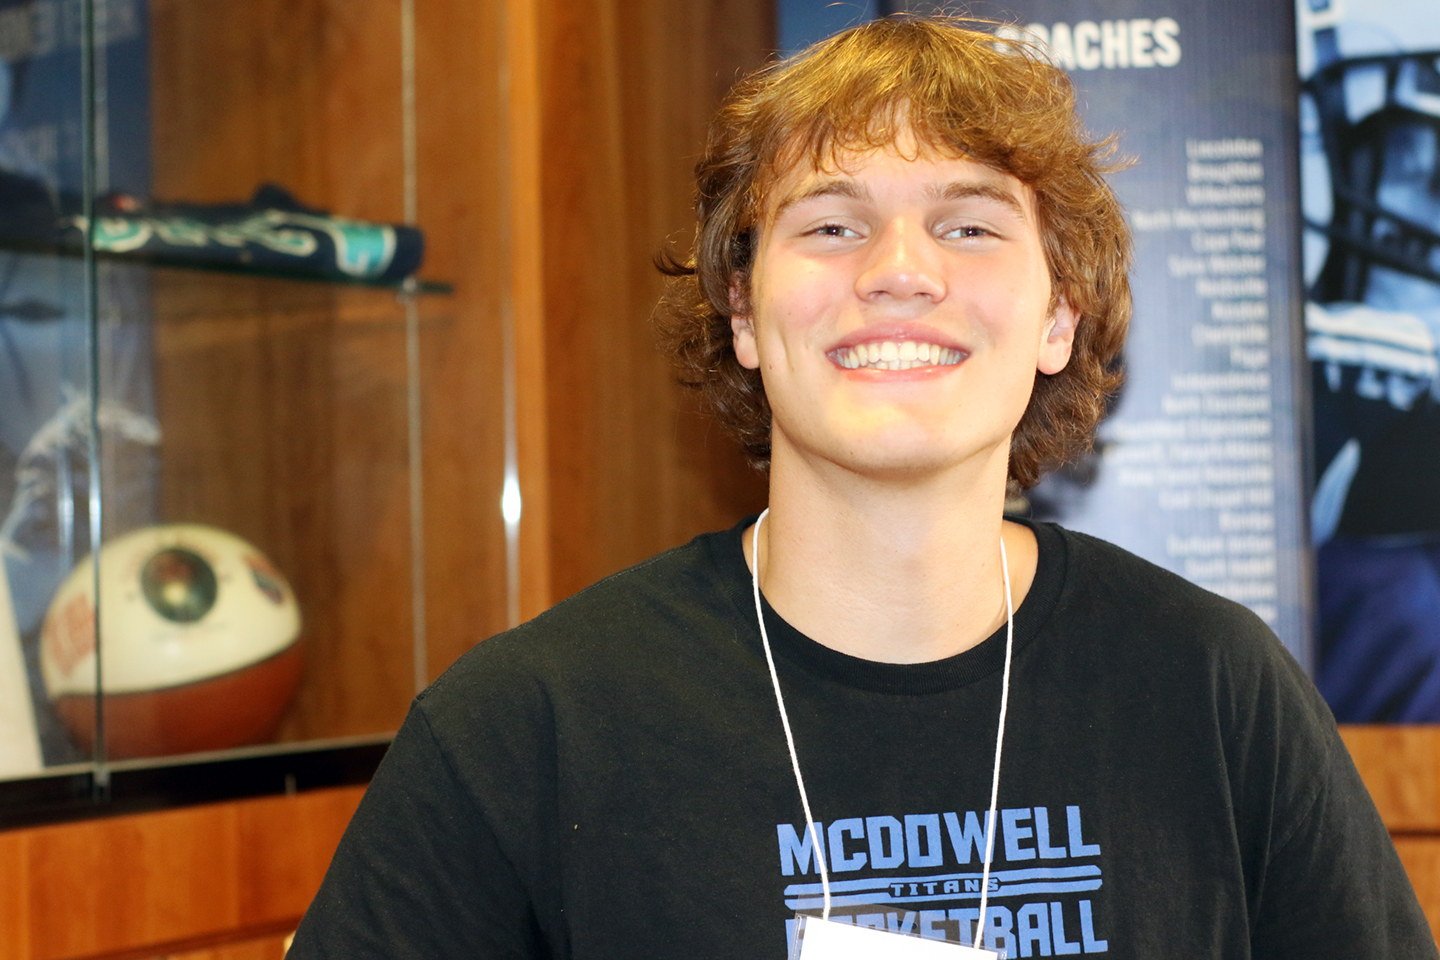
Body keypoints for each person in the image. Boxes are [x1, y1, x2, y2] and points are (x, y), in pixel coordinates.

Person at [288, 17, 1436, 959]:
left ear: (1057, 315)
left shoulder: (1216, 692)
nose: (899, 271)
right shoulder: (526, 729)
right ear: (743, 312)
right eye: (833, 224)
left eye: (969, 224)